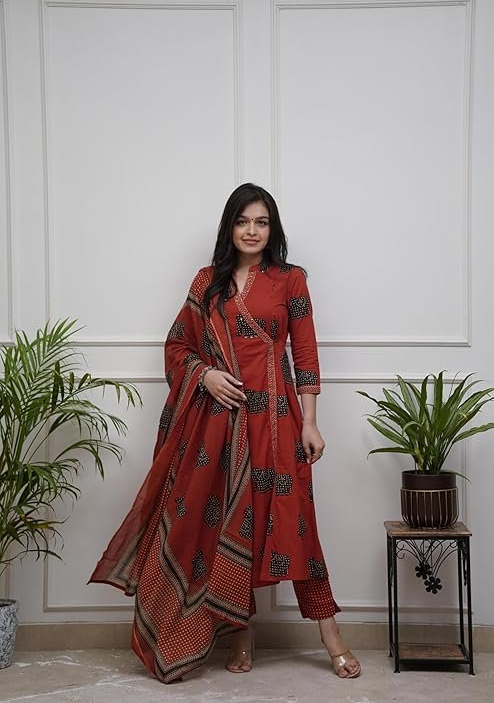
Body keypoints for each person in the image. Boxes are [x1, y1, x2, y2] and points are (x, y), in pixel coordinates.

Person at [89, 183, 361, 683]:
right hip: (221, 426)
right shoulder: (206, 282)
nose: (252, 231)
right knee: (229, 526)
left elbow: (305, 352)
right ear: (229, 227)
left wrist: (311, 421)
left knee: (296, 526)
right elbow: (178, 346)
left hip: (277, 423)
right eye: (243, 221)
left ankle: (332, 637)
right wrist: (206, 375)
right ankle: (240, 634)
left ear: (272, 229)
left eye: (261, 222)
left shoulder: (291, 280)